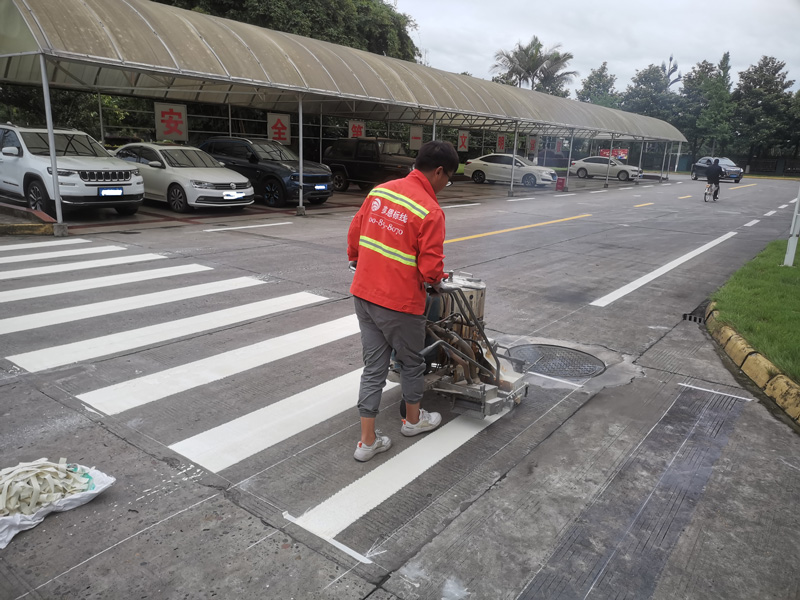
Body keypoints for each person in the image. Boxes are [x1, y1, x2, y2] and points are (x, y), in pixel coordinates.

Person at [346, 140, 459, 462]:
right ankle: (412, 421)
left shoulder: (380, 191)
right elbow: (430, 267)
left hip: (364, 294)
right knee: (411, 362)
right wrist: (436, 282)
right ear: (438, 171)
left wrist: (356, 259)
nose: (445, 186)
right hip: (399, 303)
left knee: (373, 368)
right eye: (447, 179)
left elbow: (355, 232)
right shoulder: (431, 209)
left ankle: (367, 441)